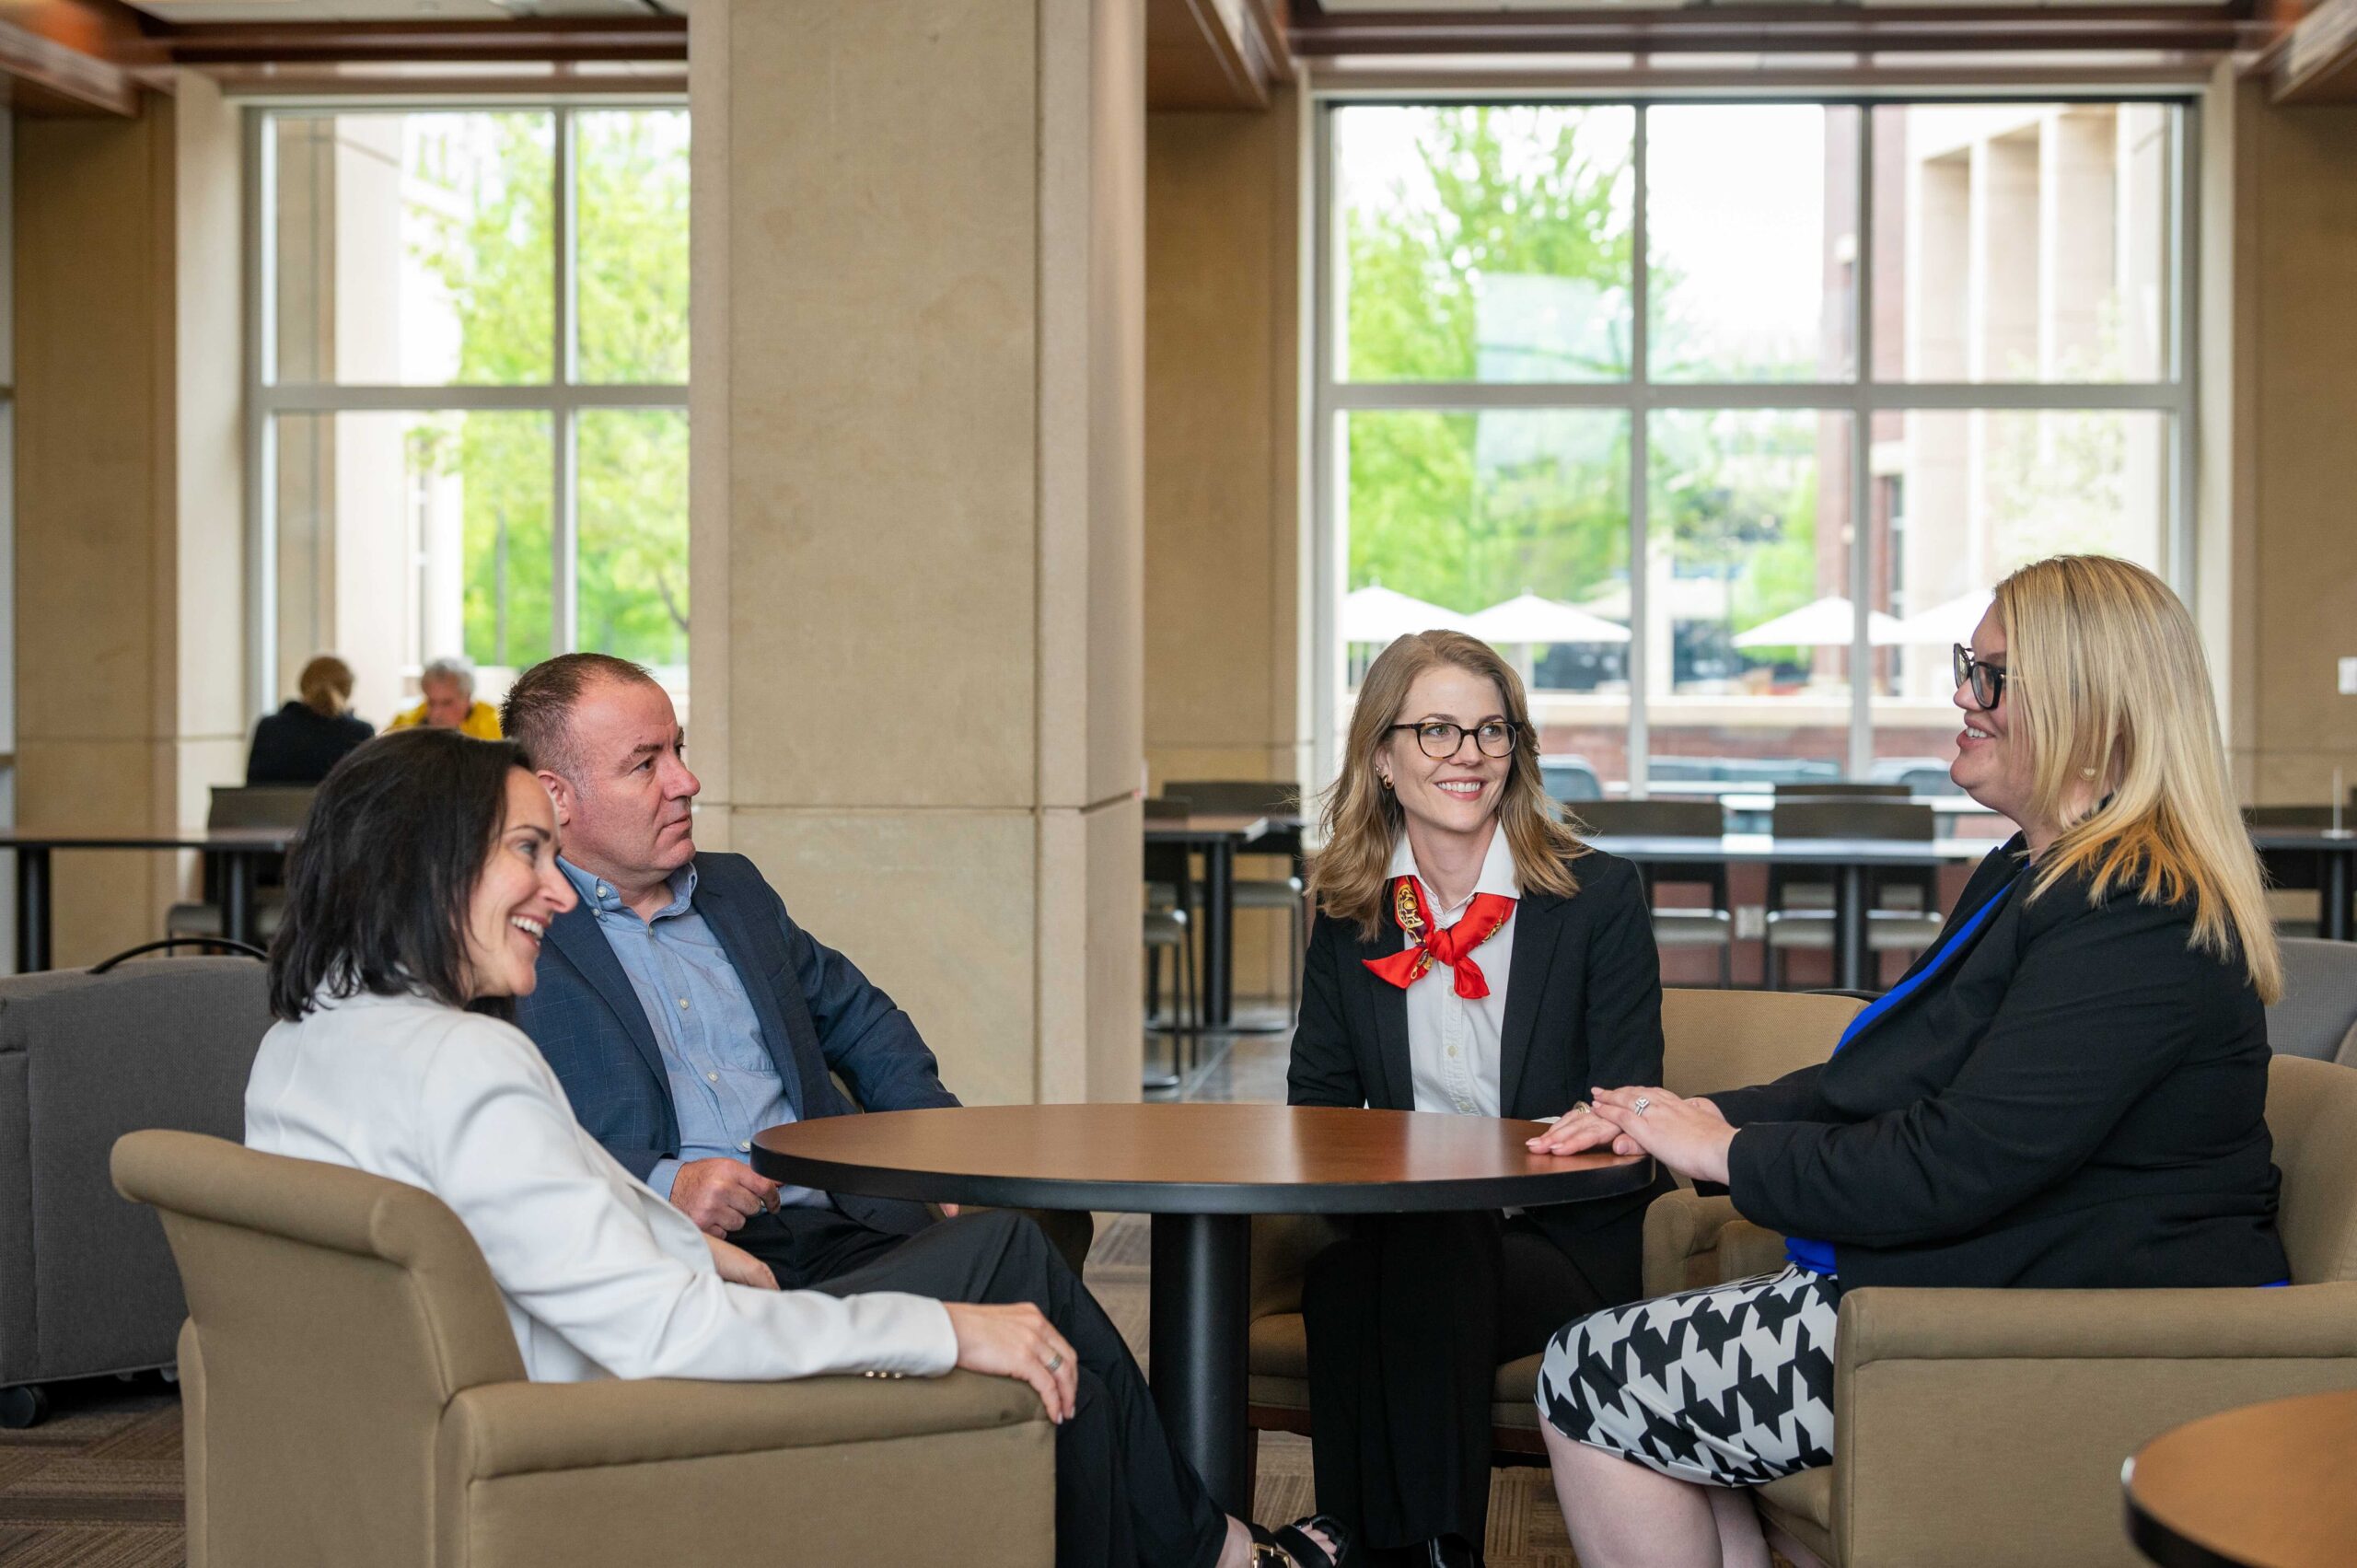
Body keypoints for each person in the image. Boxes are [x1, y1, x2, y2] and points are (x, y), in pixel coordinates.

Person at [245, 727, 1342, 1568]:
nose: (551, 888)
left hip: (489, 1398)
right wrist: (935, 1330)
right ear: (425, 864)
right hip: (614, 1421)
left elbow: (523, 1215)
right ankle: (1214, 1551)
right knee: (1009, 1272)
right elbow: (666, 1330)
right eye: (527, 851)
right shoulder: (469, 1061)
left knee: (1004, 1260)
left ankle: (1197, 1547)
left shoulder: (303, 1047)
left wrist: (687, 1240)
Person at [1527, 554, 2291, 1568]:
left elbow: (1955, 1161)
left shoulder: (2135, 908)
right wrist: (1684, 1113)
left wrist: (1726, 1152)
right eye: (1964, 667)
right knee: (1617, 1361)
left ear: (2093, 709)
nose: (1961, 698)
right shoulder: (2034, 871)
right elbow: (1884, 1078)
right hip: (1985, 1282)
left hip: (2049, 1320)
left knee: (1591, 1373)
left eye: (1991, 676)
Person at [1287, 630, 1669, 1568]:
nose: (1467, 752)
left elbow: (1631, 1114)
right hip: (1406, 1227)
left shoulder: (1596, 897)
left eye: (1489, 730)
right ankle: (1386, 1546)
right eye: (1435, 730)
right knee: (1347, 1280)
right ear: (1380, 755)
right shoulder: (1350, 911)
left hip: (1562, 1236)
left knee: (1429, 1245)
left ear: (1514, 748)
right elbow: (1317, 1108)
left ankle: (1413, 1546)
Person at [246, 655, 373, 785]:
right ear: (348, 691)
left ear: (302, 686)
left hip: (277, 807)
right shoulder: (360, 732)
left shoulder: (269, 728)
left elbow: (253, 788)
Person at [389, 654, 503, 738]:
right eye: (431, 702)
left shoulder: (495, 727)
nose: (436, 713)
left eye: (447, 703)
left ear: (467, 697)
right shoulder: (404, 724)